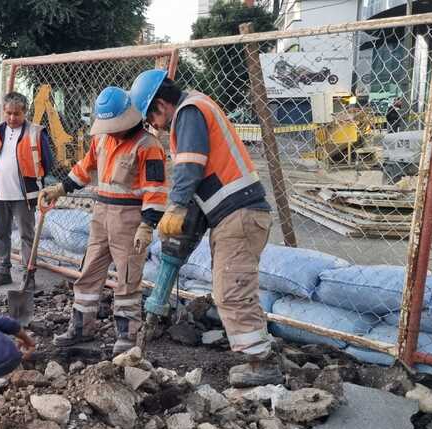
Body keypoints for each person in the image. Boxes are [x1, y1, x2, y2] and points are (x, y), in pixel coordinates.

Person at [129, 68, 280, 387]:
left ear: (160, 106)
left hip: (240, 215)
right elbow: (200, 191)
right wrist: (177, 247)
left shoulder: (189, 112)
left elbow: (189, 168)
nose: (153, 127)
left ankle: (263, 364)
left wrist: (177, 204)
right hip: (233, 215)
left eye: (150, 119)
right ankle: (259, 353)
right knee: (232, 286)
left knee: (231, 291)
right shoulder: (197, 108)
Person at [41, 87, 168, 355]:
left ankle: (127, 334)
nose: (112, 130)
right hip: (101, 214)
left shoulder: (148, 146)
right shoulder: (101, 140)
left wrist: (147, 225)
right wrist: (61, 188)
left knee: (127, 276)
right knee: (89, 271)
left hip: (130, 219)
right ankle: (81, 326)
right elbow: (84, 168)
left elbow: (156, 191)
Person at [0, 92, 54, 289]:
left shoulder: (36, 132)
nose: (12, 118)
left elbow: (47, 163)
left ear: (25, 112)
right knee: (0, 235)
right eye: (8, 113)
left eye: (17, 114)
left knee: (26, 236)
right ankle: (3, 272)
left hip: (24, 196)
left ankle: (28, 275)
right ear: (3, 111)